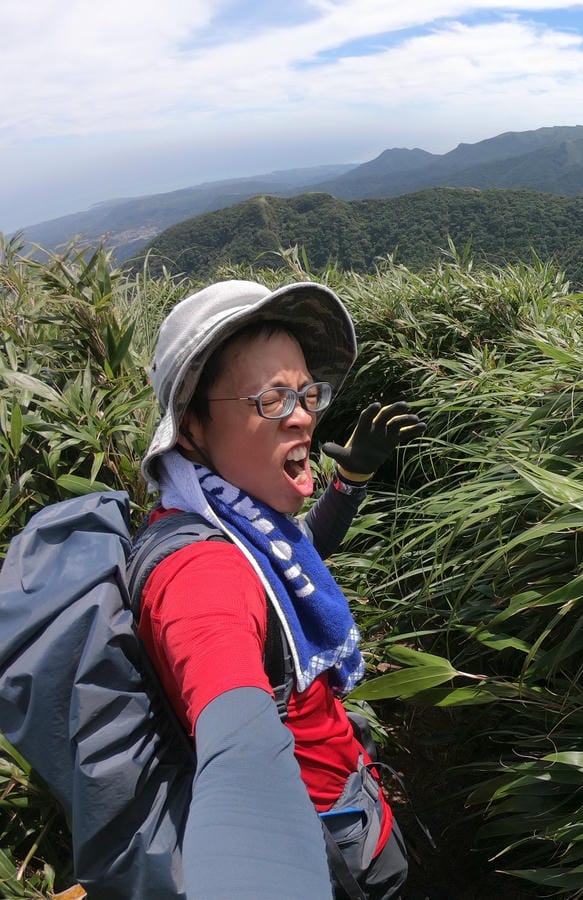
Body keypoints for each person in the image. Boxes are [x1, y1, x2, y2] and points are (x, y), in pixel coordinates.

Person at [138, 279, 425, 899]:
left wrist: (349, 480)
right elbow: (237, 744)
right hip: (326, 846)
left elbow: (294, 563)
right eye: (270, 400)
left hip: (343, 798)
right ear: (190, 430)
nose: (301, 414)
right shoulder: (201, 577)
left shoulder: (233, 520)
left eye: (305, 393)